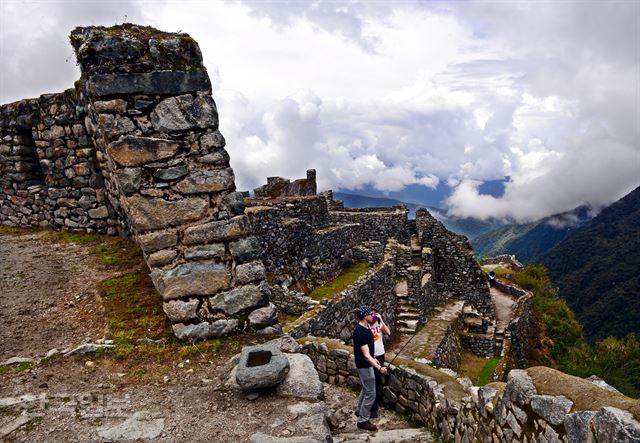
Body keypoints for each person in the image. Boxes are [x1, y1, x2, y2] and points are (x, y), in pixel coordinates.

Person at [352, 305, 388, 432]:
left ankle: (359, 410)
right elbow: (366, 356)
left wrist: (374, 358)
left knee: (365, 389)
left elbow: (368, 353)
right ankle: (363, 420)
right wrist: (379, 368)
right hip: (365, 366)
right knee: (371, 393)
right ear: (365, 316)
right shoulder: (360, 333)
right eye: (370, 314)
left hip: (366, 364)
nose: (373, 316)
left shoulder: (365, 328)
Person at [369, 307, 391, 416]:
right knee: (373, 380)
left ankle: (376, 404)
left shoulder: (379, 325)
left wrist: (381, 320)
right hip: (371, 357)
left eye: (375, 314)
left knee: (377, 380)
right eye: (372, 314)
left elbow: (388, 332)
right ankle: (373, 406)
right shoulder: (367, 326)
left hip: (380, 354)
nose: (374, 317)